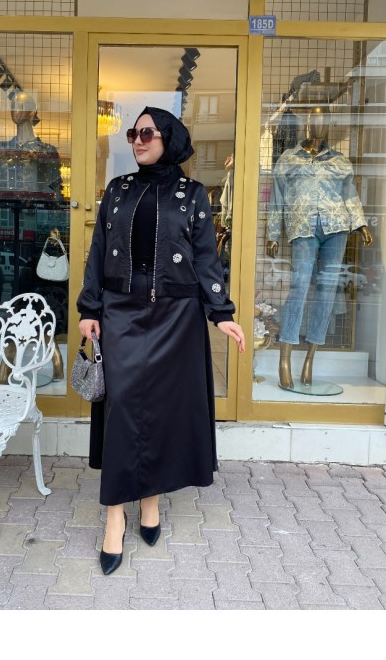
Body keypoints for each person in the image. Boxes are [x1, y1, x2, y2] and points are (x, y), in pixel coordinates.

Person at [76, 106, 245, 575]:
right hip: (121, 313)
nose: (138, 139)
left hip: (176, 316)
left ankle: (150, 500)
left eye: (148, 133)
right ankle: (115, 517)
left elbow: (206, 257)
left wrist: (221, 313)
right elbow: (97, 251)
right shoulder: (118, 189)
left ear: (169, 138)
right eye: (134, 132)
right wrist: (90, 308)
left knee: (162, 410)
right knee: (122, 409)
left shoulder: (193, 194)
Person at [266, 105, 372, 388]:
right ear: (307, 123)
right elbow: (277, 199)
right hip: (302, 227)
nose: (318, 123)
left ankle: (310, 357)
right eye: (314, 119)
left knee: (327, 289)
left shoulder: (340, 161)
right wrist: (273, 233)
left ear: (330, 125)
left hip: (336, 228)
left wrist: (361, 224)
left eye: (324, 119)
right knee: (300, 285)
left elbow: (350, 195)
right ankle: (285, 357)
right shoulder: (289, 159)